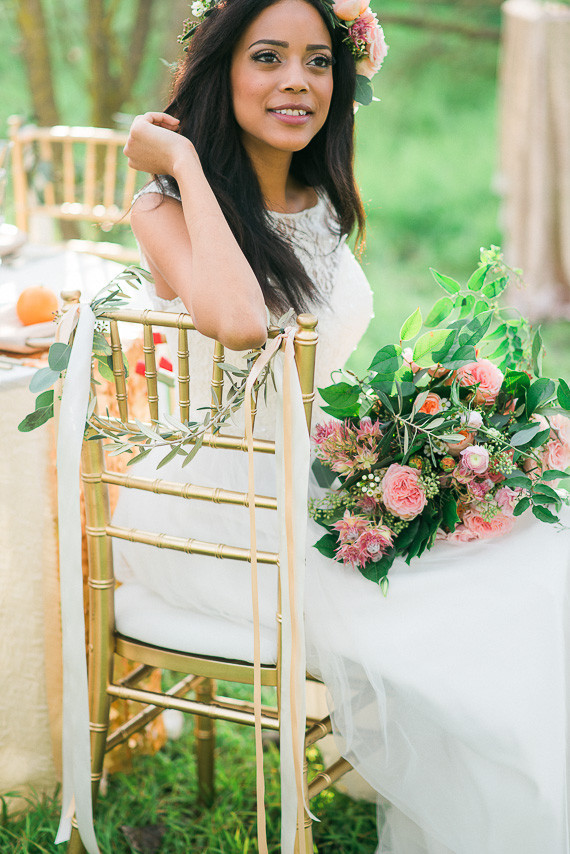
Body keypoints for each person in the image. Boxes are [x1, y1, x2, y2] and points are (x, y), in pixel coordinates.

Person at [113, 0, 570, 852]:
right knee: (494, 591)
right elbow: (243, 322)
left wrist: (430, 432)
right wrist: (181, 155)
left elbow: (320, 371)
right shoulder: (163, 207)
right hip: (230, 520)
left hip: (314, 474)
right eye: (269, 57)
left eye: (319, 62)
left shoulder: (318, 196)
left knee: (538, 541)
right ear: (222, 70)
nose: (298, 81)